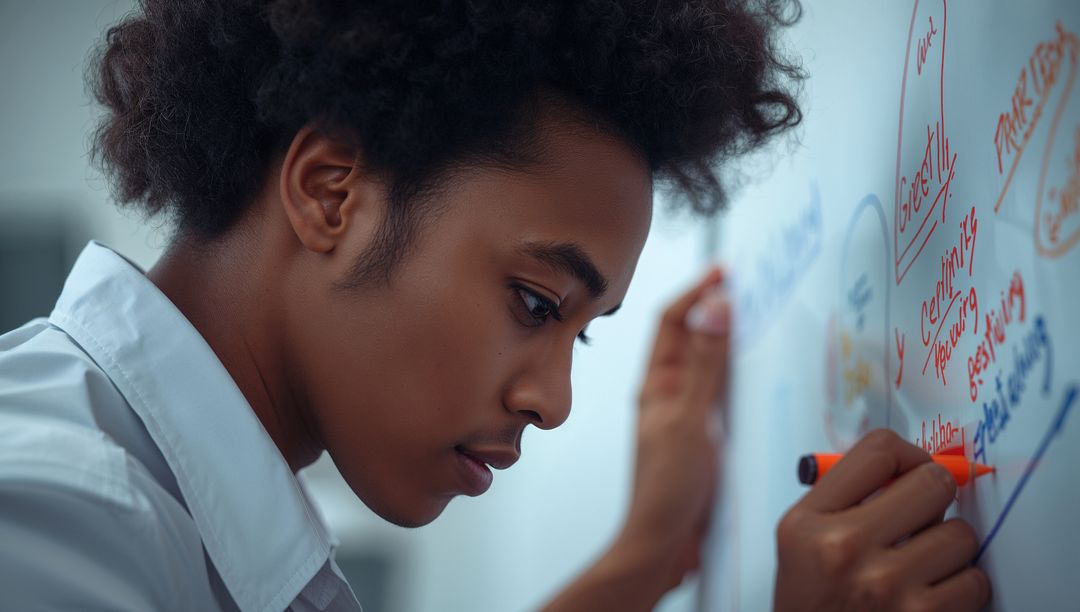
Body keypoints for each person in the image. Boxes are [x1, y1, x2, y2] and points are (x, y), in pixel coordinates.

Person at [0, 1, 990, 610]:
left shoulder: (159, 497)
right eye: (533, 301)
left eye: (579, 334)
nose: (553, 403)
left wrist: (646, 557)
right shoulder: (60, 516)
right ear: (330, 192)